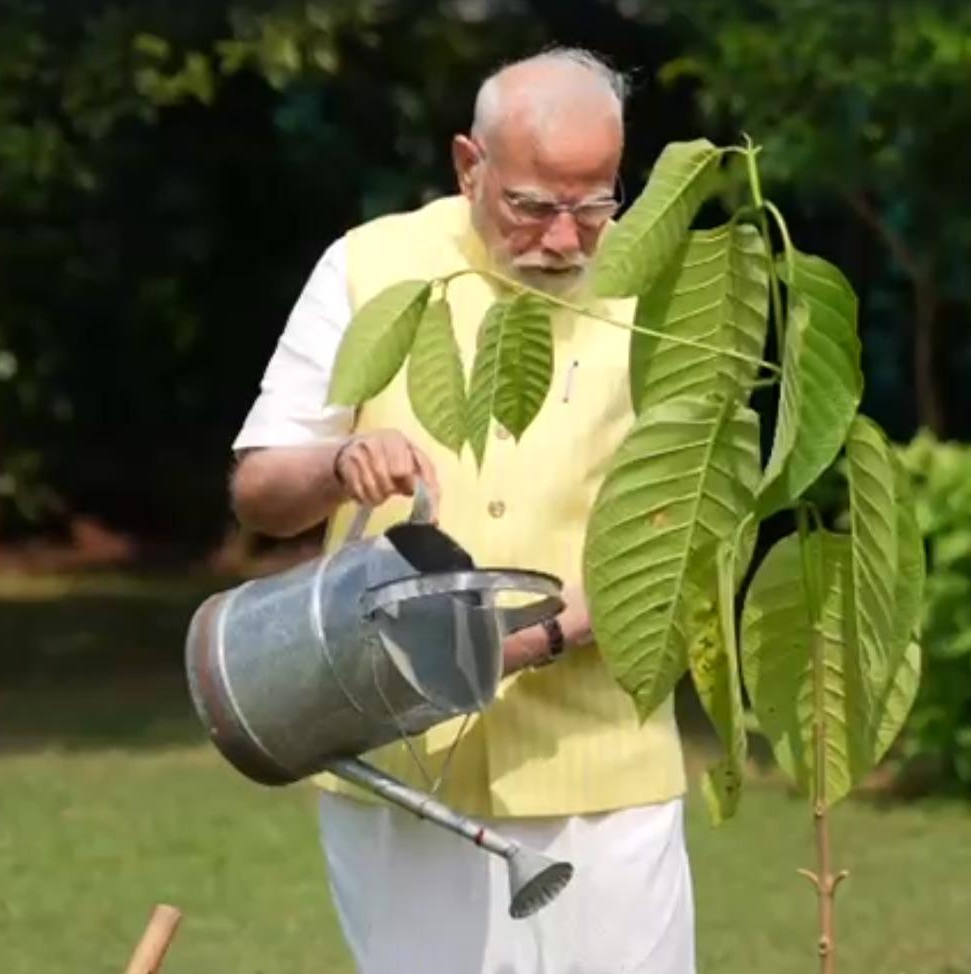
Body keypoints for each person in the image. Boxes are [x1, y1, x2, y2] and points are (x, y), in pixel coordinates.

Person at [230, 48, 694, 974]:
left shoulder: (669, 291)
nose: (564, 239)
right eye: (533, 205)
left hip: (603, 760)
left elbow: (688, 530)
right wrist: (339, 464)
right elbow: (260, 492)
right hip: (395, 752)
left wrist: (537, 639)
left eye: (593, 205)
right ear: (468, 165)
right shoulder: (369, 268)